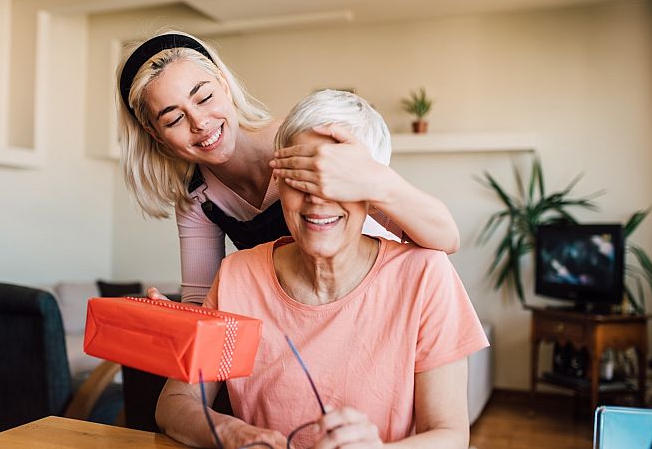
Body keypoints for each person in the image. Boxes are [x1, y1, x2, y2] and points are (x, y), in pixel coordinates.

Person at [155, 89, 489, 448]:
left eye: (339, 181)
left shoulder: (425, 275)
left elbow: (451, 435)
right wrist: (233, 433)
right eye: (303, 176)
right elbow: (174, 405)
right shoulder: (237, 276)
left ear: (373, 196)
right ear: (279, 181)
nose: (318, 198)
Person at [117, 31, 461, 305]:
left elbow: (445, 238)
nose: (200, 123)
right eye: (174, 118)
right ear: (155, 133)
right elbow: (206, 302)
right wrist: (177, 317)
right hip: (301, 309)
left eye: (204, 97)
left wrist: (370, 178)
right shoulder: (198, 198)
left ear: (223, 84)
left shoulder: (305, 141)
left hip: (377, 294)